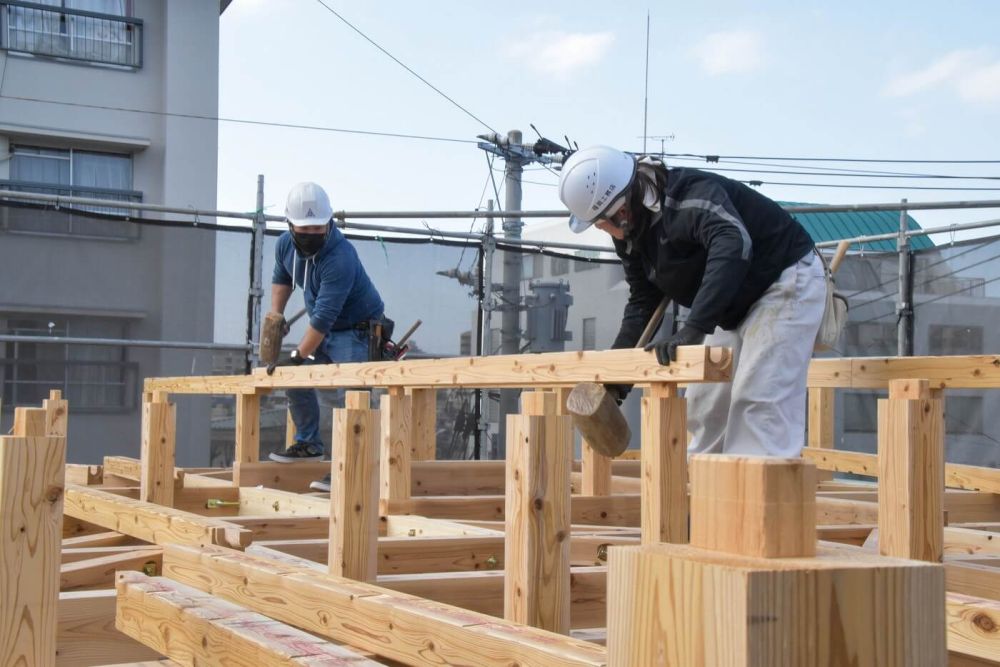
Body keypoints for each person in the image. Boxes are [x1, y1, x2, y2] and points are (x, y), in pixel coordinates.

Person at [558, 146, 825, 457]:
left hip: (782, 281)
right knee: (705, 404)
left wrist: (693, 328)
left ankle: (754, 500)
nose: (603, 230)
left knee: (758, 402)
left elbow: (733, 242)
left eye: (600, 223)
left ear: (622, 210)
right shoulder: (631, 236)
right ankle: (703, 498)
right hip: (732, 302)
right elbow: (643, 301)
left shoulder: (689, 197)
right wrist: (616, 378)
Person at [268, 181, 385, 490]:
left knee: (352, 397)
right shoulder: (284, 245)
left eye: (317, 230)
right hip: (326, 328)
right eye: (304, 231)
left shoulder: (340, 257)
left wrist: (298, 355)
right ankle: (308, 443)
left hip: (356, 330)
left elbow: (323, 318)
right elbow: (282, 278)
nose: (310, 236)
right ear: (290, 225)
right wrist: (277, 315)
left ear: (329, 223)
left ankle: (352, 469)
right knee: (296, 379)